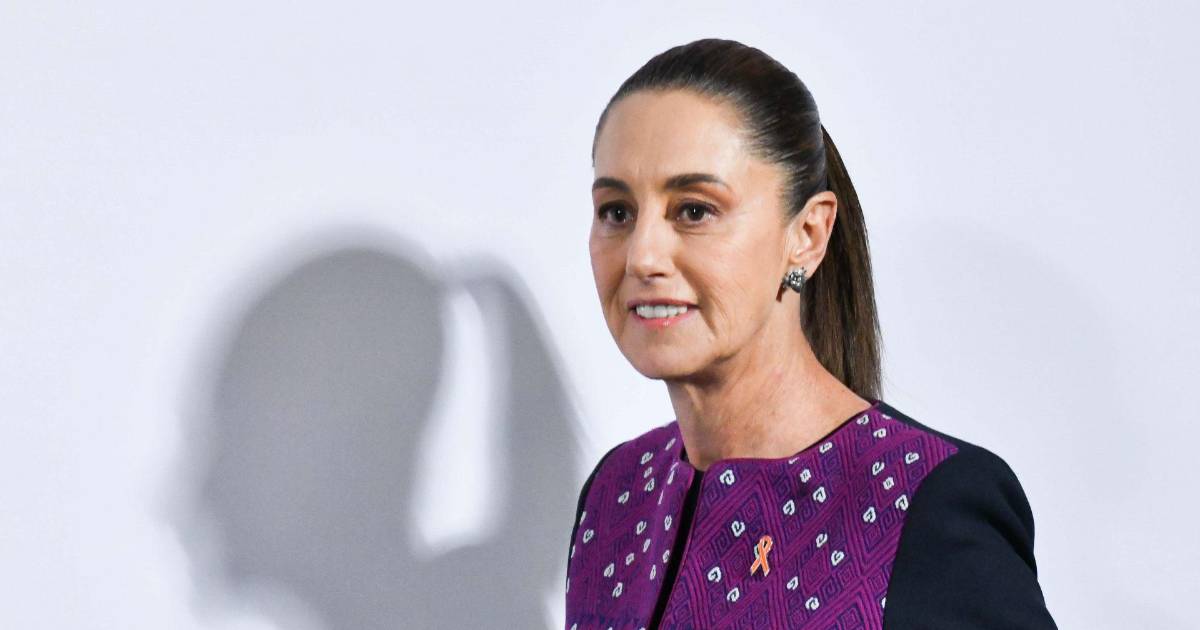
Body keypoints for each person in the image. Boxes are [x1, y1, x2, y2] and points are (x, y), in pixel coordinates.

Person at [564, 38, 1057, 629]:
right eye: (617, 212)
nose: (642, 256)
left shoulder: (926, 505)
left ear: (807, 235)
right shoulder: (618, 495)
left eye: (694, 210)